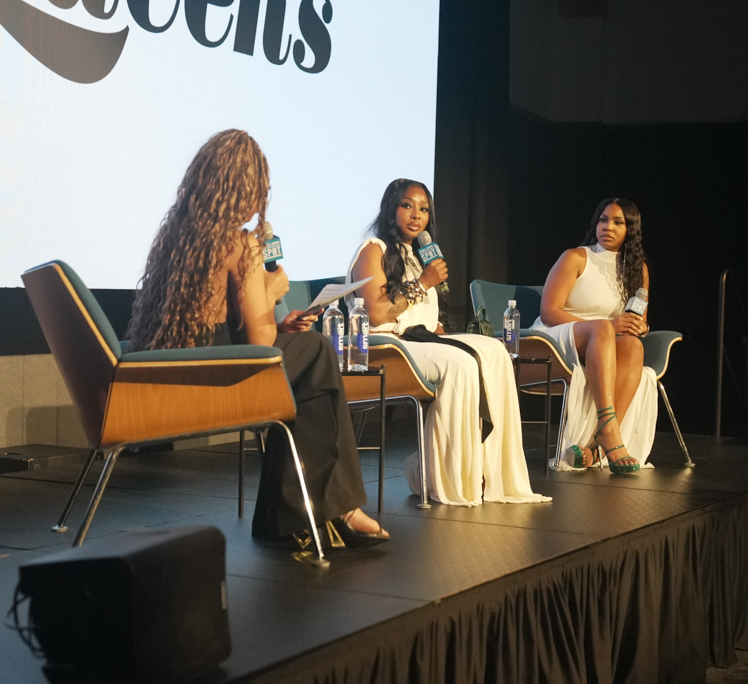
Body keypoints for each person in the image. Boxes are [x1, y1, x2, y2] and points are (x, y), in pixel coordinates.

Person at [126, 129, 388, 546]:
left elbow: (223, 325)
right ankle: (313, 512)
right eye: (260, 189)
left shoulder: (177, 237)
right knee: (317, 353)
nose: (260, 201)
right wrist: (272, 291)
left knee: (308, 367)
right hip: (219, 379)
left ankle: (306, 514)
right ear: (242, 188)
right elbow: (262, 345)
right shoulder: (239, 243)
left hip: (187, 369)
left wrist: (281, 326)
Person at [346, 178, 551, 506]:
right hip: (385, 346)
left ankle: (490, 473)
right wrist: (424, 282)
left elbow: (424, 319)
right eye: (407, 206)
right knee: (461, 364)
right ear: (390, 209)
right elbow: (376, 312)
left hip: (420, 341)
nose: (417, 215)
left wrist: (447, 331)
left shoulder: (418, 256)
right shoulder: (374, 249)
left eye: (424, 209)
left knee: (495, 351)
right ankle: (442, 475)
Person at [531, 198, 656, 473]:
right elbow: (549, 312)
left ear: (631, 230)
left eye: (617, 222)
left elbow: (640, 320)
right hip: (557, 336)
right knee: (602, 328)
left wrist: (640, 328)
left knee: (633, 346)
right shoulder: (576, 258)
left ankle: (599, 441)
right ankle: (609, 430)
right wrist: (608, 326)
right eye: (603, 220)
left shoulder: (639, 270)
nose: (607, 227)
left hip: (603, 343)